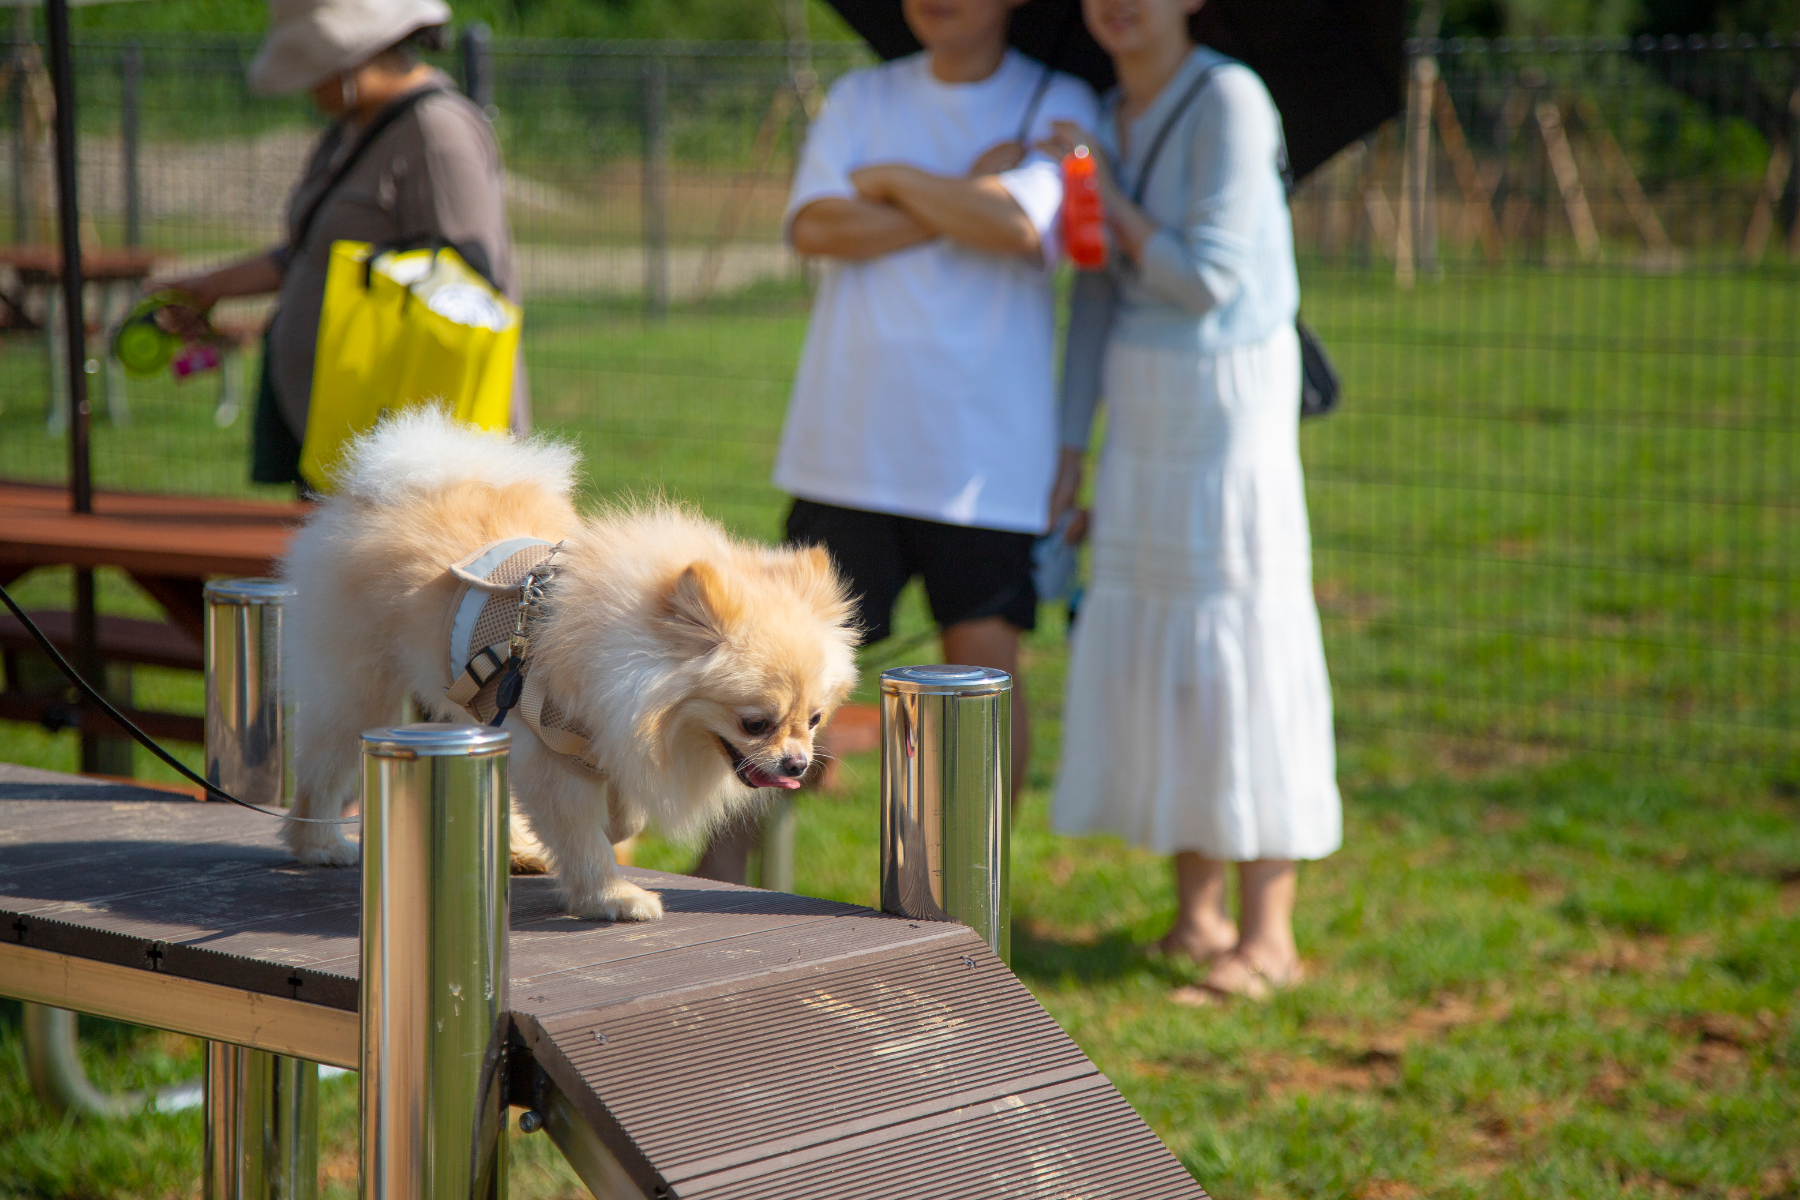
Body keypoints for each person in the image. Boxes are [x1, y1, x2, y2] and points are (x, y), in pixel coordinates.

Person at [691, 0, 1098, 883]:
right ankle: (716, 872)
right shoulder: (862, 94)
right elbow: (814, 227)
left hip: (983, 457)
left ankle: (966, 890)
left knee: (983, 675)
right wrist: (962, 185)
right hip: (848, 442)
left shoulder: (1061, 102)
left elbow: (1021, 227)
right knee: (774, 669)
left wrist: (888, 179)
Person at [1043, 0, 1341, 1001]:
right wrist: (1067, 444)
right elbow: (1096, 287)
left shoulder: (1230, 99)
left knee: (1238, 646)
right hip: (1140, 401)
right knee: (1169, 655)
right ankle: (1196, 915)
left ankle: (1270, 938)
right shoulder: (1100, 108)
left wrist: (1100, 184)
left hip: (1224, 408)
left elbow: (1207, 278)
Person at [159, 0, 526, 492]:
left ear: (355, 56)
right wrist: (209, 289)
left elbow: (470, 296)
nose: (309, 87)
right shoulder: (349, 129)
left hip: (410, 463)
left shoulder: (437, 133)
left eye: (313, 69)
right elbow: (309, 254)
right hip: (344, 436)